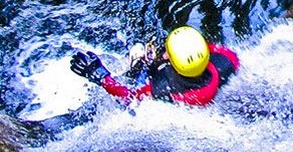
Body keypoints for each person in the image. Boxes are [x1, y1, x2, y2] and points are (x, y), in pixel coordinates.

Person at [70, 25, 239, 106]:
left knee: (139, 71)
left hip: (169, 94)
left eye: (168, 53)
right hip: (198, 88)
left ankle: (137, 64)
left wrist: (101, 76)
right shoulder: (227, 60)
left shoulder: (162, 88)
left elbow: (129, 96)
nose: (165, 53)